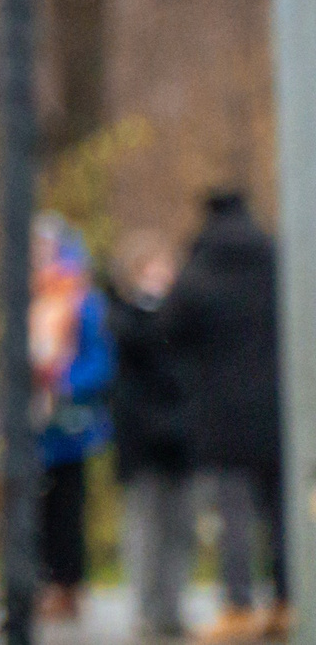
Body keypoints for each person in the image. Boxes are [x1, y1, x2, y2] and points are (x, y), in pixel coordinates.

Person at [168, 189, 288, 642]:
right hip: (278, 409)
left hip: (221, 411)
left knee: (233, 512)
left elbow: (170, 329)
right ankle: (285, 598)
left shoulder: (201, 267)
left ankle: (238, 604)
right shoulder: (275, 259)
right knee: (282, 509)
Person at [105, 229, 194, 644]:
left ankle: (171, 607)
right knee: (145, 526)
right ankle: (146, 608)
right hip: (143, 443)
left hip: (180, 441)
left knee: (180, 527)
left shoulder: (184, 321)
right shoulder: (126, 321)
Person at [29, 214, 113, 623]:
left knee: (68, 506)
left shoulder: (83, 301)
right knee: (34, 506)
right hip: (34, 421)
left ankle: (70, 585)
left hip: (70, 418)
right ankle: (41, 584)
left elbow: (100, 359)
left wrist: (66, 383)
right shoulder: (29, 297)